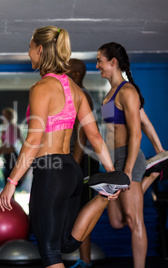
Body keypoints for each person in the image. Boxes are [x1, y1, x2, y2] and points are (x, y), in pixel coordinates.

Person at [0, 26, 130, 268]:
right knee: (67, 244)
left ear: (40, 49)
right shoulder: (75, 89)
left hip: (49, 171)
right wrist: (112, 171)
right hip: (70, 170)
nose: (28, 54)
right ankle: (103, 194)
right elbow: (95, 137)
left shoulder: (40, 88)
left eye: (29, 48)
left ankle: (105, 189)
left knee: (49, 252)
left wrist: (11, 182)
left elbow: (34, 140)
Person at [96, 42, 168, 268]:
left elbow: (138, 133)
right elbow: (146, 120)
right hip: (113, 161)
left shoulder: (128, 91)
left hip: (129, 158)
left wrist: (129, 170)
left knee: (134, 220)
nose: (97, 65)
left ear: (113, 62)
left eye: (100, 60)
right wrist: (160, 150)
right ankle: (151, 174)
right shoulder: (111, 93)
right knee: (116, 221)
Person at [67, 58, 98, 268]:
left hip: (82, 161)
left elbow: (82, 135)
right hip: (73, 159)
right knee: (74, 210)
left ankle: (85, 262)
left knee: (82, 211)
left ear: (76, 75)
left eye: (65, 70)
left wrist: (74, 167)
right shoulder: (71, 95)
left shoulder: (82, 95)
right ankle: (82, 260)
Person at [0, 107, 24, 188]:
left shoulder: (15, 128)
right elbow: (2, 145)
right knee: (6, 179)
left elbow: (23, 143)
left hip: (12, 155)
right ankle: (9, 199)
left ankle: (12, 198)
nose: (3, 117)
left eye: (5, 115)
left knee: (11, 180)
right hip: (6, 156)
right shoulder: (4, 130)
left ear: (11, 116)